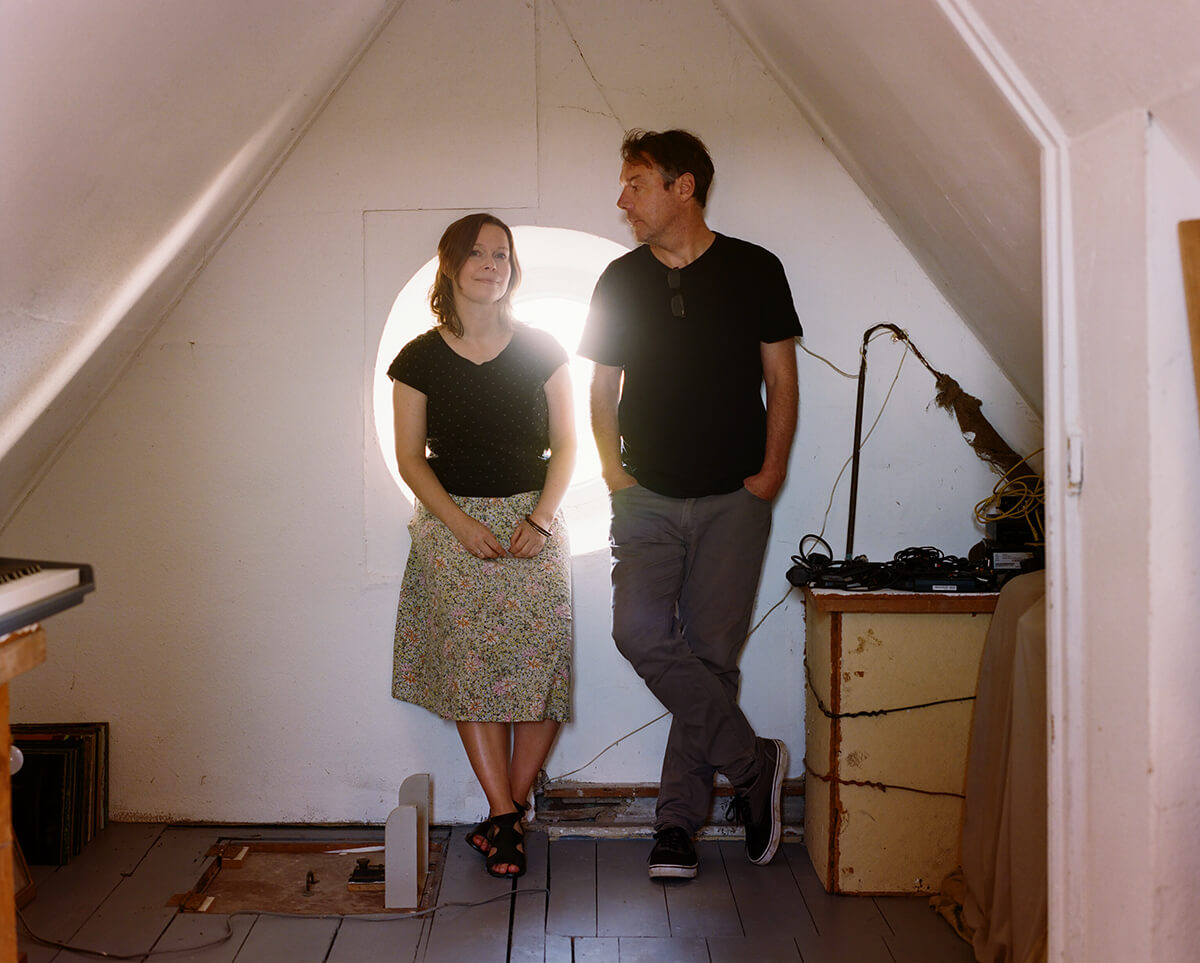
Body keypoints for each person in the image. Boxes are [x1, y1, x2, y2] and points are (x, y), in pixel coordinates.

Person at [578, 129, 802, 880]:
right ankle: (752, 762)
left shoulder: (755, 268)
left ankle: (676, 826)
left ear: (684, 187)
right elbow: (601, 389)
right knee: (639, 633)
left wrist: (768, 475)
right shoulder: (619, 278)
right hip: (645, 497)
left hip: (736, 497)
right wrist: (615, 476)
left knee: (708, 658)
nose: (623, 199)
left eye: (636, 183)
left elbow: (782, 378)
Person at [387, 212, 576, 879]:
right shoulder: (417, 358)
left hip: (534, 521)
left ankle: (504, 815)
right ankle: (506, 818)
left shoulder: (543, 348)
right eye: (480, 253)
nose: (493, 264)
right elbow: (412, 459)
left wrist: (544, 518)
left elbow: (570, 444)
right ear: (452, 263)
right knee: (473, 674)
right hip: (451, 525)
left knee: (543, 678)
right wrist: (460, 524)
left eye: (503, 254)